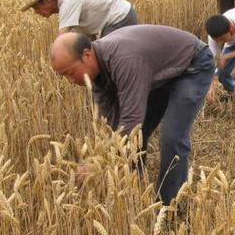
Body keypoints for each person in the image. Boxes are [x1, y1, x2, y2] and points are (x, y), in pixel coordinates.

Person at [49, 26, 214, 204]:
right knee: (135, 135)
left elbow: (131, 121)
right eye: (63, 76)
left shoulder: (125, 60)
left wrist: (101, 162)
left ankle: (169, 205)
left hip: (192, 64)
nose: (70, 81)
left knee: (172, 137)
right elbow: (113, 124)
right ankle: (134, 188)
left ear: (87, 55)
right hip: (159, 72)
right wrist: (101, 160)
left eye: (69, 72)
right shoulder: (97, 75)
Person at [20, 0, 138, 39]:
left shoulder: (68, 3)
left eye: (36, 8)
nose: (36, 13)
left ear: (47, 0)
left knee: (110, 56)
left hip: (120, 17)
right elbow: (88, 40)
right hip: (117, 19)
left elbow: (62, 41)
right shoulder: (67, 9)